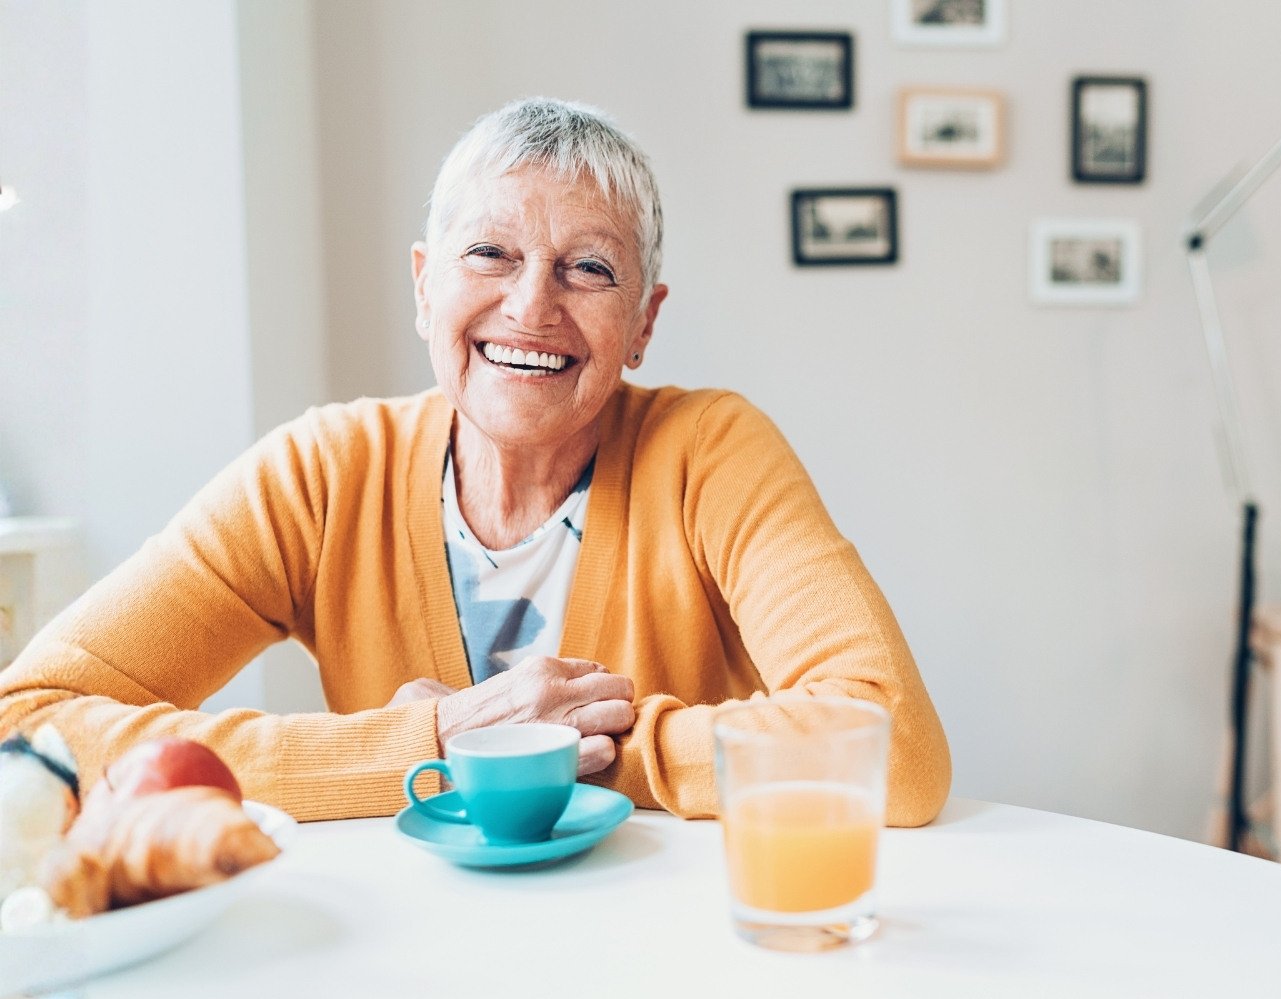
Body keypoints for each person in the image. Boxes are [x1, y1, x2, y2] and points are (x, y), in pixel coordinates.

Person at [0, 98, 950, 826]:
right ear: (425, 287)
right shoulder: (323, 474)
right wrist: (419, 746)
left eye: (589, 268)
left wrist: (541, 751)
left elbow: (894, 748)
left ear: (644, 324)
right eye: (490, 253)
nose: (532, 308)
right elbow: (25, 723)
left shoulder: (711, 452)